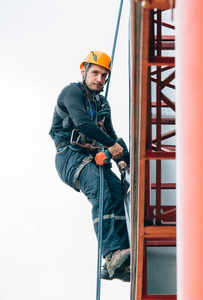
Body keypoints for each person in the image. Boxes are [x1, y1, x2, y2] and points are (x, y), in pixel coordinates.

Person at [49, 50, 130, 282]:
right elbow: (82, 123)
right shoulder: (72, 92)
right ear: (84, 70)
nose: (99, 79)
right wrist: (112, 147)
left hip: (91, 158)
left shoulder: (102, 104)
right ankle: (111, 253)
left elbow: (111, 135)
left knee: (117, 190)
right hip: (69, 156)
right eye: (95, 73)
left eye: (104, 76)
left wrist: (121, 158)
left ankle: (118, 259)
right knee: (100, 186)